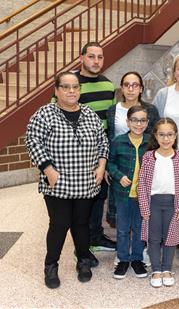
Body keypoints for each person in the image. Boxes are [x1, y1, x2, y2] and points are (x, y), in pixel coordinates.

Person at [26, 71, 109, 289]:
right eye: (66, 87)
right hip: (57, 183)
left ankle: (83, 260)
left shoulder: (90, 114)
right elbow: (33, 142)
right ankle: (50, 266)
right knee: (59, 225)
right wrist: (48, 169)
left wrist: (101, 166)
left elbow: (103, 142)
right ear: (56, 90)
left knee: (81, 224)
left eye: (75, 87)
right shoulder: (44, 114)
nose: (71, 91)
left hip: (86, 183)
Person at [73, 42, 117, 255]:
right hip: (76, 155)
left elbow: (110, 122)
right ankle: (81, 246)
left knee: (99, 196)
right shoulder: (71, 84)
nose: (96, 61)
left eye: (100, 57)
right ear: (81, 58)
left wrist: (106, 158)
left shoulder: (108, 86)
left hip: (100, 153)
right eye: (91, 56)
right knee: (80, 202)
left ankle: (96, 237)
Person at [137, 118, 179, 288]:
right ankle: (156, 270)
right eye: (162, 134)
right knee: (153, 239)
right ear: (155, 135)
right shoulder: (148, 157)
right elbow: (142, 184)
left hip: (173, 205)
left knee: (171, 238)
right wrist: (144, 206)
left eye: (169, 135)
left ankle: (167, 269)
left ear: (175, 136)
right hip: (153, 203)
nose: (166, 139)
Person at [106, 71, 160, 228]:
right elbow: (109, 137)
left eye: (135, 85)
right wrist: (109, 167)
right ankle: (122, 247)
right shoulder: (112, 110)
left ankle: (141, 245)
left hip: (144, 165)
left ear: (141, 89)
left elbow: (156, 140)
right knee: (120, 209)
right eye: (126, 85)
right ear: (121, 88)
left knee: (143, 208)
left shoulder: (151, 110)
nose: (131, 89)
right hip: (120, 166)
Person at [107, 105, 150, 280]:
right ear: (128, 121)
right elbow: (110, 163)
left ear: (147, 123)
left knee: (140, 229)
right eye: (134, 120)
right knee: (123, 229)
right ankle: (123, 259)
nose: (138, 124)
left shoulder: (151, 142)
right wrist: (118, 175)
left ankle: (137, 259)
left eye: (142, 120)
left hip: (143, 196)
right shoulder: (118, 141)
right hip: (123, 194)